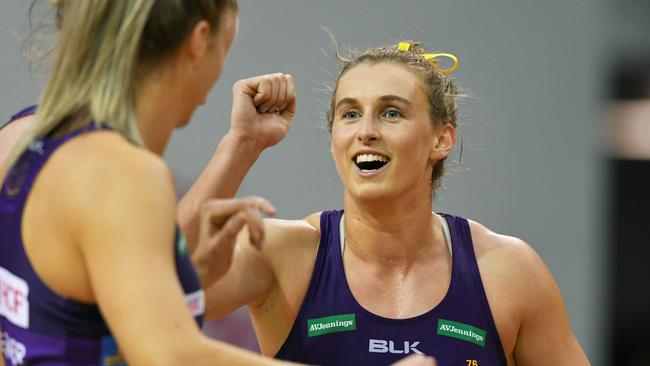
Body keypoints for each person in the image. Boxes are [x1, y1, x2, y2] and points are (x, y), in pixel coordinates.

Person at [195, 41, 592, 365]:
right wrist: (241, 144)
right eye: (349, 113)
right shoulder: (281, 253)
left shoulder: (508, 271)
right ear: (333, 139)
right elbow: (150, 296)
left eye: (390, 113)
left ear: (441, 140)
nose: (366, 131)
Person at [0, 1, 295, 364]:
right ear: (199, 42)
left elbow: (71, 319)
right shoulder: (124, 172)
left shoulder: (18, 140)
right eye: (225, 46)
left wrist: (190, 281)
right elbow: (172, 357)